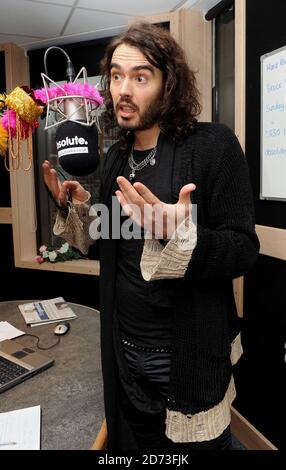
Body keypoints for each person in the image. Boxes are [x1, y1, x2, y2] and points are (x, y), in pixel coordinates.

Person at [43, 22, 260, 451]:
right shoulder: (115, 158)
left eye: (141, 77)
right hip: (125, 351)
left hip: (186, 355)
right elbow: (107, 241)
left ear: (168, 85)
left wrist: (179, 232)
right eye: (117, 76)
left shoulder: (214, 145)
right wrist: (77, 207)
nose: (124, 89)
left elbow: (242, 249)